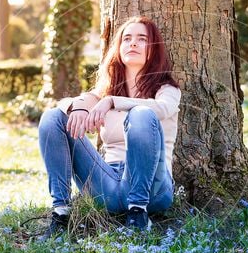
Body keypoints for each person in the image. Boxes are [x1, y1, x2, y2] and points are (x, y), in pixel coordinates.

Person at [37, 16, 181, 239]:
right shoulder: (104, 92)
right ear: (119, 47)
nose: (132, 43)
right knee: (53, 117)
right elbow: (64, 104)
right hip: (109, 184)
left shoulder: (167, 89)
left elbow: (162, 108)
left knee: (141, 114)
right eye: (127, 39)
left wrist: (112, 101)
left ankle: (139, 212)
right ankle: (61, 212)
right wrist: (79, 109)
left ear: (153, 49)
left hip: (153, 187)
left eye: (141, 39)